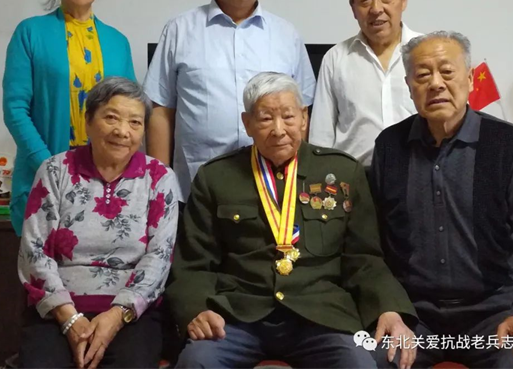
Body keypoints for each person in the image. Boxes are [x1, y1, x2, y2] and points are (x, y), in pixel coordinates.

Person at [167, 72, 417, 369]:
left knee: (359, 364)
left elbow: (364, 257)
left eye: (288, 116)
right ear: (247, 123)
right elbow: (194, 262)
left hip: (320, 315)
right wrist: (195, 309)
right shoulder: (216, 177)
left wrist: (387, 307)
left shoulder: (342, 172)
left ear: (304, 118)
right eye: (265, 119)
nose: (278, 130)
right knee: (196, 362)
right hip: (238, 314)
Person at [370, 31, 513, 369]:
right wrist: (388, 307)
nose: (435, 84)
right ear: (409, 86)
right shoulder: (389, 147)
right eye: (422, 75)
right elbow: (372, 243)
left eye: (447, 71)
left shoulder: (507, 144)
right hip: (414, 317)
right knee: (366, 360)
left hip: (493, 317)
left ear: (470, 79)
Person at [17, 77, 179, 369]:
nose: (122, 131)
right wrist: (69, 318)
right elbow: (34, 251)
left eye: (135, 122)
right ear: (89, 121)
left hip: (131, 313)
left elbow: (160, 256)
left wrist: (116, 316)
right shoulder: (55, 170)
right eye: (111, 118)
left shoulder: (158, 177)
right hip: (58, 309)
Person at [143, 0, 315, 201]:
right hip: (195, 187)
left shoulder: (286, 35)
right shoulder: (179, 30)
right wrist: (159, 186)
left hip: (274, 188)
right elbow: (161, 111)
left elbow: (302, 112)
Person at [3, 0, 135, 236]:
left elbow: (131, 115)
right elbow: (15, 109)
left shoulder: (118, 42)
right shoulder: (30, 33)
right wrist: (50, 167)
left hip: (105, 183)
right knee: (44, 266)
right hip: (42, 178)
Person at [310, 0, 421, 166]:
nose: (376, 9)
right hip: (355, 178)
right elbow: (321, 136)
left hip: (417, 173)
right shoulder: (336, 58)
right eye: (365, 0)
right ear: (353, 8)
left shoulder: (426, 52)